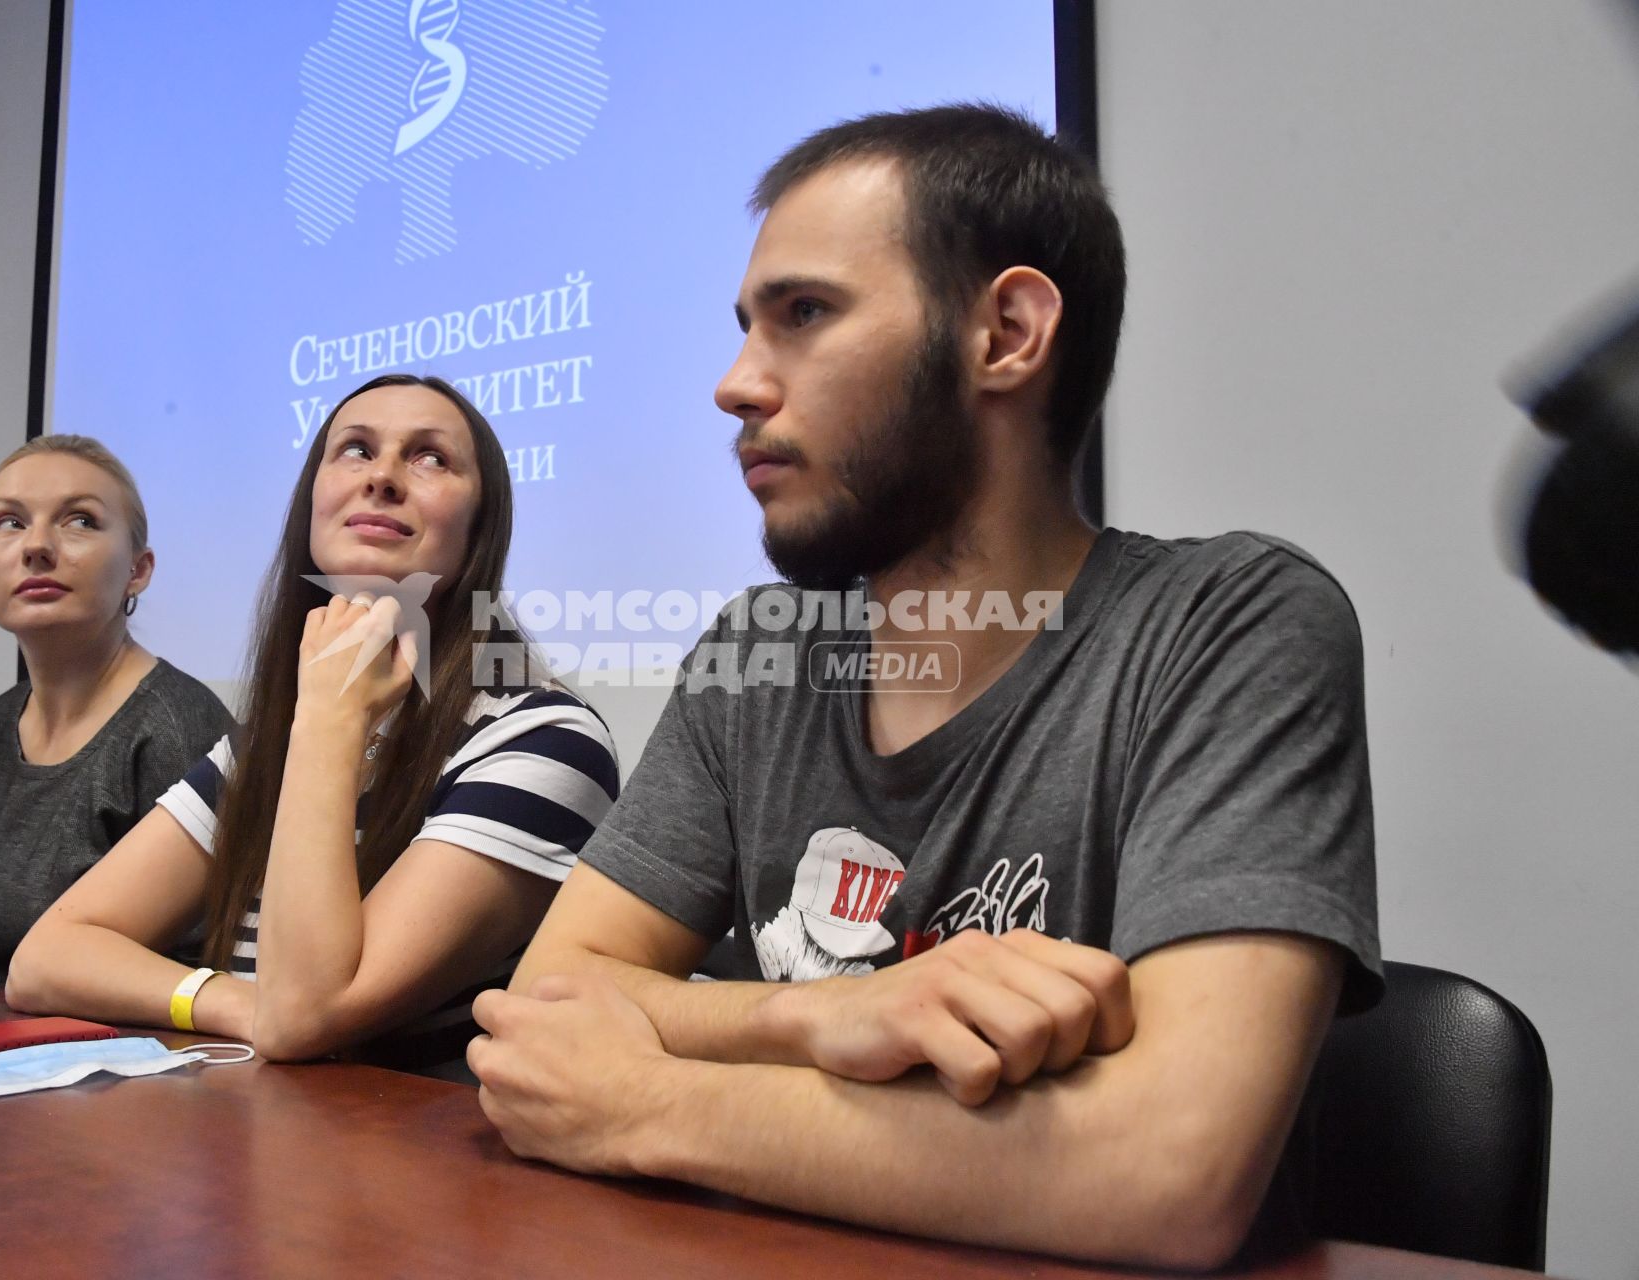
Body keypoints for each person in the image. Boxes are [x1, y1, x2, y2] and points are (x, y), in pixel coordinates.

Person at [469, 103, 1380, 1271]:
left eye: (804, 314)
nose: (735, 385)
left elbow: (1169, 1171)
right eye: (747, 326)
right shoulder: (762, 651)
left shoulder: (1229, 624)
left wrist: (648, 1100)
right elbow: (549, 1000)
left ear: (1005, 331)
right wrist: (825, 1013)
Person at [6, 375, 619, 1070]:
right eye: (354, 450)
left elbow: (304, 1015)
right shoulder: (266, 745)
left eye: (429, 458)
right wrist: (230, 1002)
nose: (383, 477)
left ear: (480, 528)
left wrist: (331, 717)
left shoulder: (544, 742)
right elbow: (47, 956)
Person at [0, 436, 233, 986]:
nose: (36, 547)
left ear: (138, 570)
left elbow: (200, 967)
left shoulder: (177, 727)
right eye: (9, 522)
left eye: (79, 521)